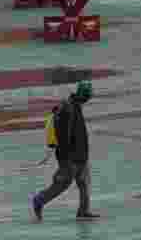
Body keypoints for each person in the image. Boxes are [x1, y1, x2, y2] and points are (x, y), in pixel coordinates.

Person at [31, 81, 98, 221]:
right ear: (84, 95)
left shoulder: (75, 106)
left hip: (80, 156)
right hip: (70, 158)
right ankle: (39, 200)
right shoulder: (68, 109)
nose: (89, 98)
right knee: (61, 185)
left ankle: (83, 211)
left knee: (84, 183)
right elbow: (63, 137)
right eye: (89, 95)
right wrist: (65, 159)